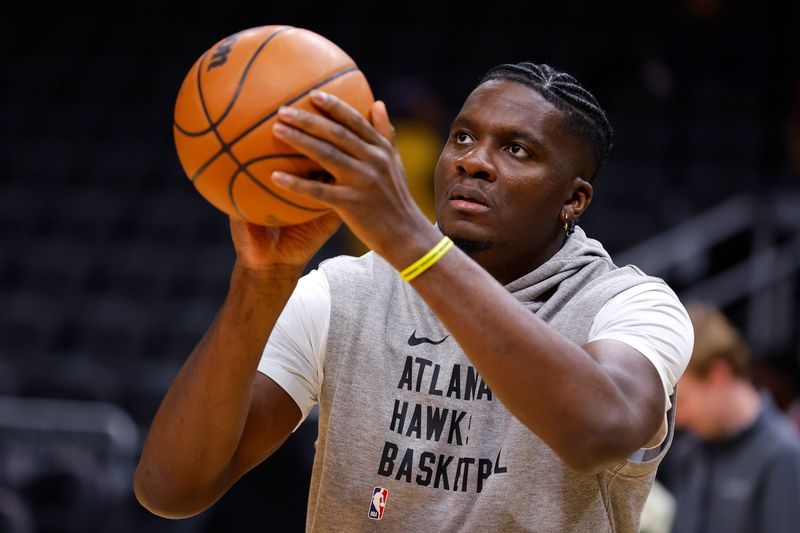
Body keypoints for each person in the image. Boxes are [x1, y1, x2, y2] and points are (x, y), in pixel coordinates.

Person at [133, 62, 693, 532]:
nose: (473, 161)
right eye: (464, 136)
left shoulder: (629, 305)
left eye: (518, 150)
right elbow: (171, 488)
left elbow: (599, 430)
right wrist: (262, 279)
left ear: (574, 199)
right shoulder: (345, 291)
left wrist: (408, 236)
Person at [659, 301, 800, 533]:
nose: (680, 418)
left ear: (718, 375)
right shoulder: (689, 454)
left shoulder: (782, 457)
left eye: (682, 401)